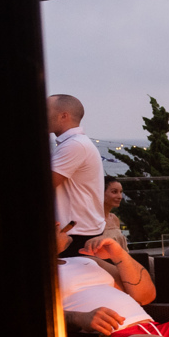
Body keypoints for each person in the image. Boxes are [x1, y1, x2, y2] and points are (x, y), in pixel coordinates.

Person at [49, 94, 105, 256]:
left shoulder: (75, 145)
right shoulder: (73, 143)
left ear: (63, 115)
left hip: (74, 234)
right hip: (76, 231)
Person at [99, 176, 127, 248]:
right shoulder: (94, 220)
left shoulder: (114, 218)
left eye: (120, 192)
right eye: (114, 192)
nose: (120, 196)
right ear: (101, 192)